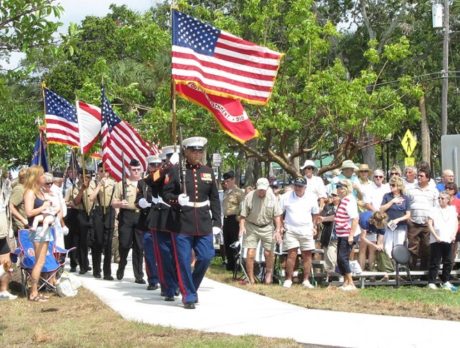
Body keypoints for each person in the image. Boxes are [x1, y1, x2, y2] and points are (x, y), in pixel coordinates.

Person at [163, 136, 221, 309]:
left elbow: (215, 199)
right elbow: (166, 194)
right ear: (186, 152)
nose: (197, 154)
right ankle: (188, 295)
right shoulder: (175, 171)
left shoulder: (208, 172)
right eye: (194, 151)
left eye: (200, 151)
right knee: (183, 260)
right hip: (182, 222)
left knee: (206, 256)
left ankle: (190, 288)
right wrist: (176, 199)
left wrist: (217, 222)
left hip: (203, 221)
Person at [147, 145, 179, 301]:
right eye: (167, 159)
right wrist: (168, 166)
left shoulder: (183, 171)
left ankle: (179, 283)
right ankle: (168, 287)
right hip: (162, 219)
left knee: (179, 255)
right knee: (164, 256)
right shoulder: (161, 172)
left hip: (180, 218)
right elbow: (150, 180)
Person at [239, 177, 283, 285]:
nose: (261, 191)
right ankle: (251, 278)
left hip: (267, 226)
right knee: (250, 253)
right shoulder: (249, 196)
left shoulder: (272, 197)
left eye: (263, 189)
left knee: (268, 252)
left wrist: (277, 230)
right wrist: (242, 227)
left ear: (267, 188)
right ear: (256, 187)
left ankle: (268, 274)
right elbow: (243, 215)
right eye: (260, 189)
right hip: (251, 226)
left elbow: (277, 215)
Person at [280, 177, 319, 288]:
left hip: (306, 229)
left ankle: (306, 280)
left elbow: (315, 213)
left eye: (300, 186)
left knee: (307, 255)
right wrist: (280, 227)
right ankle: (288, 279)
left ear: (305, 187)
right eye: (296, 185)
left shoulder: (312, 197)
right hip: (291, 228)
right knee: (291, 254)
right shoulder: (285, 197)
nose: (298, 188)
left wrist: (314, 225)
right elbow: (279, 213)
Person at [112, 159, 144, 283]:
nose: (136, 172)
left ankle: (139, 275)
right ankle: (121, 266)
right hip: (127, 216)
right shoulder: (122, 184)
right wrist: (120, 203)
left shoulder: (144, 183)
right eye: (133, 170)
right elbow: (113, 203)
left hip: (141, 216)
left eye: (138, 169)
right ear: (129, 170)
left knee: (139, 247)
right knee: (124, 245)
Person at [23, 165, 52, 302]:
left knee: (42, 260)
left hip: (45, 227)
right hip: (37, 229)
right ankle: (33, 292)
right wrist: (42, 207)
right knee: (39, 261)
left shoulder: (40, 191)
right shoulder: (30, 192)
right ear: (35, 177)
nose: (44, 177)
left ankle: (35, 290)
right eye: (41, 175)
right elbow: (29, 212)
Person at [136, 155, 161, 290]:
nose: (155, 168)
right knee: (150, 254)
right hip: (147, 223)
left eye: (158, 165)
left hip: (162, 223)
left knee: (164, 255)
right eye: (152, 165)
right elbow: (137, 199)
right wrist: (141, 202)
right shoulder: (143, 182)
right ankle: (152, 279)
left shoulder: (165, 180)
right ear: (148, 166)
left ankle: (166, 280)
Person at [88, 163, 116, 280]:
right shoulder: (93, 183)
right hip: (98, 211)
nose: (103, 173)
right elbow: (91, 197)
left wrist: (117, 217)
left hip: (109, 211)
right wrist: (99, 185)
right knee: (98, 242)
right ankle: (96, 269)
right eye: (101, 171)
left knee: (108, 243)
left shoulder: (113, 184)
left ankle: (107, 272)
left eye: (105, 171)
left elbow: (115, 200)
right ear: (98, 172)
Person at [407, 168, 439, 270]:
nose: (418, 177)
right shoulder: (411, 189)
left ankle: (424, 272)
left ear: (428, 178)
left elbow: (436, 207)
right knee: (412, 248)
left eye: (421, 176)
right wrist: (408, 219)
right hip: (413, 223)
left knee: (426, 248)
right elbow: (406, 204)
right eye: (418, 175)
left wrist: (432, 221)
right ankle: (411, 272)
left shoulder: (433, 191)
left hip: (426, 224)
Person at [426, 191, 458, 291]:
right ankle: (431, 282)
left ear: (448, 200)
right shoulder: (433, 209)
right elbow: (430, 224)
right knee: (435, 261)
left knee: (448, 261)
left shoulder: (452, 209)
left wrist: (453, 234)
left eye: (442, 198)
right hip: (437, 239)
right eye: (439, 198)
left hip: (448, 239)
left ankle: (445, 281)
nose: (440, 200)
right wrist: (435, 236)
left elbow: (456, 222)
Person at [334, 179, 359, 291]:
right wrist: (324, 218)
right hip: (341, 233)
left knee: (342, 258)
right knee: (340, 259)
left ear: (346, 189)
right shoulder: (343, 200)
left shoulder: (349, 200)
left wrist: (351, 235)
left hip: (347, 233)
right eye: (338, 187)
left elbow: (355, 219)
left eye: (340, 187)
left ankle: (351, 283)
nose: (338, 189)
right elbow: (338, 217)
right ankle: (345, 282)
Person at [379, 176, 410, 258]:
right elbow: (381, 209)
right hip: (389, 224)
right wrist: (392, 201)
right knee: (387, 246)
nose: (391, 186)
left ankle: (398, 264)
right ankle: (389, 264)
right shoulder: (387, 196)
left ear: (399, 186)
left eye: (393, 185)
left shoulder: (405, 198)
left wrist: (398, 220)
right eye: (390, 184)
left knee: (398, 245)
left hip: (401, 225)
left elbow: (408, 215)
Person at [222, 170, 244, 272]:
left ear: (233, 180)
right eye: (225, 181)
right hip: (226, 219)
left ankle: (236, 264)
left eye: (228, 181)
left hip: (234, 219)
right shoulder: (226, 192)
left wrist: (239, 219)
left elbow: (242, 207)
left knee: (235, 242)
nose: (226, 183)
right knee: (227, 242)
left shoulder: (238, 192)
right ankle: (230, 264)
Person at [319, 189, 340, 282]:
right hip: (329, 236)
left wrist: (327, 218)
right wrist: (327, 218)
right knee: (329, 257)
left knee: (336, 258)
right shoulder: (328, 207)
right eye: (333, 195)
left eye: (336, 195)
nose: (334, 197)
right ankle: (330, 277)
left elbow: (337, 217)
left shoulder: (344, 206)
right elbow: (321, 219)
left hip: (341, 236)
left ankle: (337, 275)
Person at [9, 168, 28, 237]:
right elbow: (11, 206)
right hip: (22, 226)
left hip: (28, 225)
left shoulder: (26, 188)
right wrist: (23, 219)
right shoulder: (19, 189)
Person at [445, 182, 460, 263]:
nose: (447, 190)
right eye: (446, 188)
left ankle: (450, 268)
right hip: (445, 229)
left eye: (450, 188)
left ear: (454, 190)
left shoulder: (458, 202)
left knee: (453, 250)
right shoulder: (443, 201)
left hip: (455, 230)